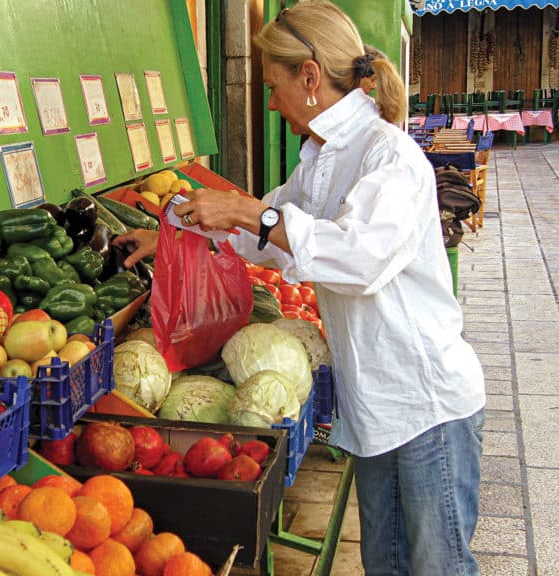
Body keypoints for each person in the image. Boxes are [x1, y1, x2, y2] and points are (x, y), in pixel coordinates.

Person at [113, 1, 486, 574]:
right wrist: (176, 239)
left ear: (309, 77)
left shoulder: (390, 156)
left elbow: (358, 258)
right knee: (385, 565)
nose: (269, 101)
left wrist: (249, 211)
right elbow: (271, 233)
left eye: (273, 84)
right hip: (377, 402)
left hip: (424, 402)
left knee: (437, 566)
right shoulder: (319, 159)